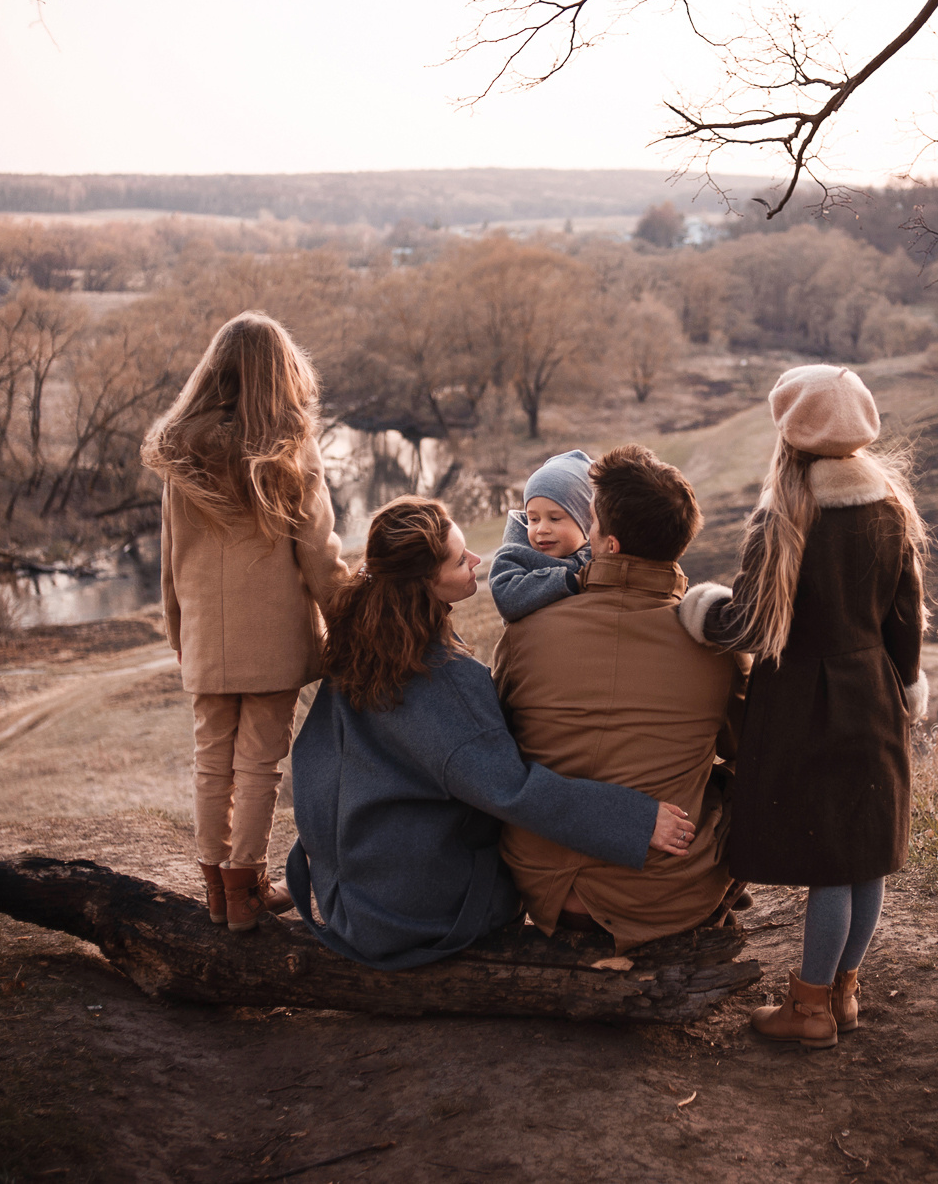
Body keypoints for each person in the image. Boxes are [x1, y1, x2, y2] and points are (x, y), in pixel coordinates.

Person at [286, 496, 698, 970]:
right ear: (425, 583)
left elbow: (313, 762)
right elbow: (511, 791)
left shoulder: (361, 642)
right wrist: (636, 820)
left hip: (355, 887)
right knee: (530, 852)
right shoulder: (443, 679)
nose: (477, 561)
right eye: (461, 560)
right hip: (413, 913)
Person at [684, 365, 929, 1048]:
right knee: (862, 853)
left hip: (803, 704)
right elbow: (905, 621)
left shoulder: (785, 515)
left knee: (827, 856)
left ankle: (811, 1007)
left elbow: (748, 626)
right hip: (874, 694)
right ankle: (845, 992)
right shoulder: (890, 509)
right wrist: (907, 685)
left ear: (789, 430)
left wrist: (698, 610)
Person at [491, 445, 746, 952]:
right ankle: (712, 903)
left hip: (536, 885)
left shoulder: (526, 629)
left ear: (605, 543)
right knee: (738, 774)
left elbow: (497, 743)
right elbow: (748, 749)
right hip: (664, 897)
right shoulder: (716, 646)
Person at [142, 311, 346, 934]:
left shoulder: (181, 452)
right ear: (282, 375)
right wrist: (346, 618)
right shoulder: (291, 450)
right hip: (274, 640)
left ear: (215, 371)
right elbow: (320, 553)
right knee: (259, 764)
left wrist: (181, 636)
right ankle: (245, 894)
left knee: (211, 761)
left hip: (207, 636)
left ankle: (214, 888)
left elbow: (170, 562)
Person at [487, 449, 594, 623]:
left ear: (586, 521)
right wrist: (566, 581)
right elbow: (507, 598)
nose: (541, 529)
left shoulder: (598, 551)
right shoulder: (515, 555)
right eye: (533, 519)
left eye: (555, 518)